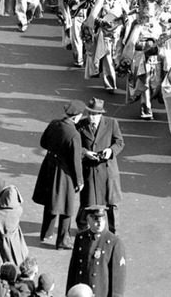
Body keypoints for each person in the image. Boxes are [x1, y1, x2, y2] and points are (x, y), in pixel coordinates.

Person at [33, 101, 84, 250]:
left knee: (51, 202)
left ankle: (46, 232)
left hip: (49, 166)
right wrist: (79, 180)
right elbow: (75, 161)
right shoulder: (74, 134)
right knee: (66, 206)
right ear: (77, 116)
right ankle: (62, 240)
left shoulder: (54, 124)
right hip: (64, 172)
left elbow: (43, 143)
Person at [77, 98, 124, 234]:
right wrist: (85, 153)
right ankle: (82, 227)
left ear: (101, 114)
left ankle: (113, 231)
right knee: (87, 202)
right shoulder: (80, 125)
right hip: (90, 170)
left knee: (112, 203)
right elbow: (76, 145)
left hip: (108, 171)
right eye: (89, 113)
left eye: (95, 114)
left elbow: (119, 142)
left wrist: (110, 151)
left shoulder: (111, 123)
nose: (91, 117)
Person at [65, 207, 126, 297]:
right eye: (95, 219)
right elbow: (73, 269)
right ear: (88, 219)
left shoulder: (114, 242)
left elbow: (118, 278)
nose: (99, 223)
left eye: (102, 219)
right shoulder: (81, 238)